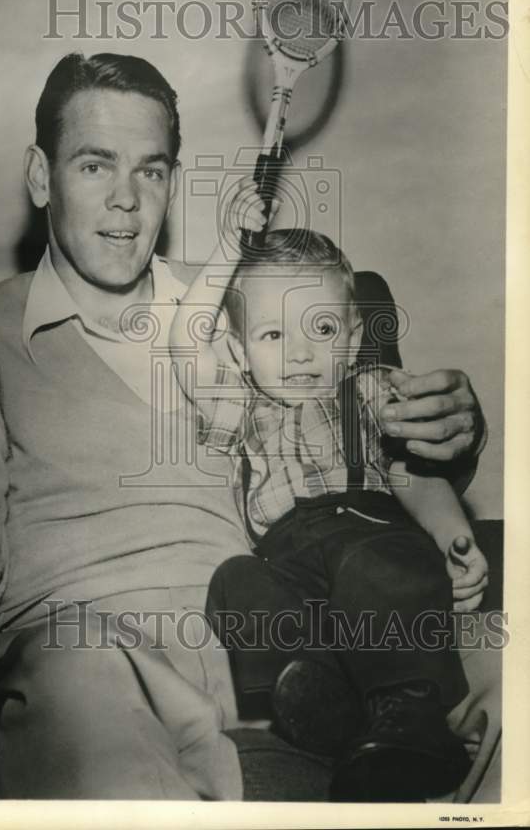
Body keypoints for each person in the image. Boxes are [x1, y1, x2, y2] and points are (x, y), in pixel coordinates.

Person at [0, 52, 486, 800]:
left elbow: (353, 433)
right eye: (95, 166)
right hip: (84, 652)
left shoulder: (247, 310)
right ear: (41, 177)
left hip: (269, 645)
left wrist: (452, 431)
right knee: (84, 681)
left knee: (501, 659)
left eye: (152, 170)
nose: (127, 202)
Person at [168, 176, 489, 801]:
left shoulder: (368, 389)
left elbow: (414, 472)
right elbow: (187, 341)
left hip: (366, 531)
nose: (298, 354)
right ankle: (327, 699)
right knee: (234, 581)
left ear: (349, 338)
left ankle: (410, 714)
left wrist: (454, 535)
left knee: (377, 567)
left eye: (320, 329)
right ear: (238, 350)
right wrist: (231, 246)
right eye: (272, 335)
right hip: (287, 560)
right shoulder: (238, 404)